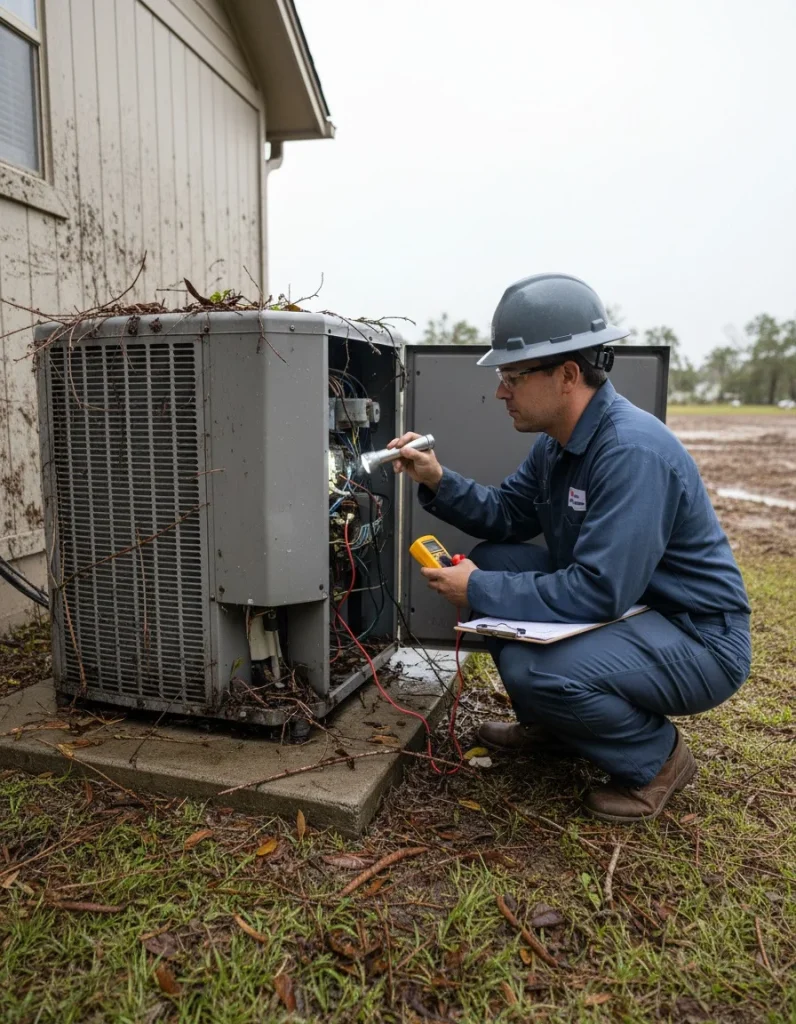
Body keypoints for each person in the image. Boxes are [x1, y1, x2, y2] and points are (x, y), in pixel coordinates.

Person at [388, 273, 751, 822]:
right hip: (636, 608)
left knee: (543, 668)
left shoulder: (630, 452)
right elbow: (508, 515)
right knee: (497, 560)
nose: (500, 390)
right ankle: (562, 730)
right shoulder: (558, 446)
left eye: (512, 375)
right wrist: (437, 478)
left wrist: (478, 587)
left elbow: (600, 591)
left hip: (696, 635)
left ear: (567, 375)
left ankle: (657, 761)